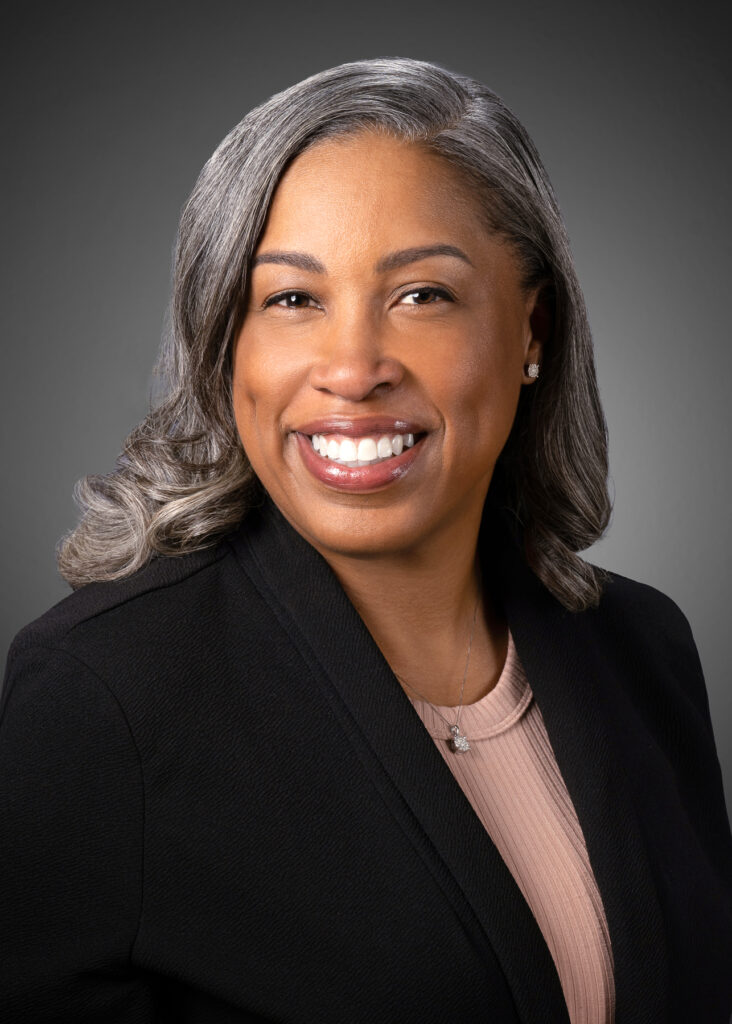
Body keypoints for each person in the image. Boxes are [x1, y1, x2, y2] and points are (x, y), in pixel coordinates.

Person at [1, 57, 730, 1024]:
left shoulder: (646, 648)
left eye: (421, 294)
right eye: (292, 300)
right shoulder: (105, 696)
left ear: (532, 330)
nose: (352, 370)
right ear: (229, 345)